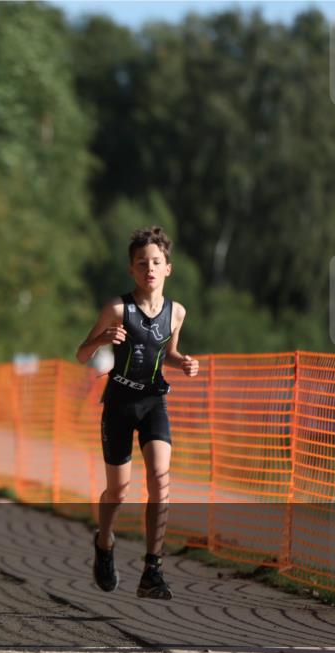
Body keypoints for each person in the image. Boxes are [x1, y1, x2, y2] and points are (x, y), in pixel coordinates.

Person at [76, 226, 198, 600]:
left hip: (153, 401)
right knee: (119, 489)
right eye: (142, 263)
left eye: (156, 262)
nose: (150, 268)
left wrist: (184, 363)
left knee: (161, 478)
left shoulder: (176, 312)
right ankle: (105, 540)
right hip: (119, 403)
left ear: (168, 269)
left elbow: (169, 353)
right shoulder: (117, 308)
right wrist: (101, 340)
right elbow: (82, 354)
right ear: (131, 269)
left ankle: (152, 570)